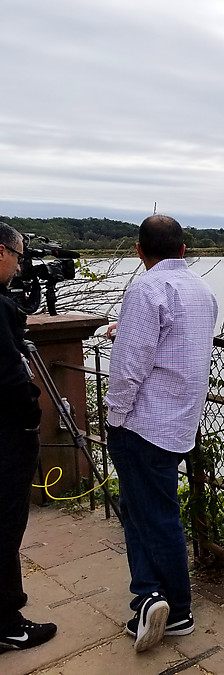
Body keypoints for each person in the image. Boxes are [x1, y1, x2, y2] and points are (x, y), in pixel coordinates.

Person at [105, 215, 218, 652]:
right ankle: (149, 595)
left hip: (143, 423)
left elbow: (130, 367)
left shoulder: (147, 289)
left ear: (139, 251)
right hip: (180, 421)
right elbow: (171, 341)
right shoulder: (200, 290)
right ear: (184, 249)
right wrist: (125, 329)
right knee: (139, 509)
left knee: (154, 515)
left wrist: (114, 416)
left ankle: (178, 608)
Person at [0, 222, 58, 652]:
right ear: (1, 252)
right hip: (5, 436)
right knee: (5, 526)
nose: (20, 266)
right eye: (18, 257)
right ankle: (8, 623)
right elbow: (11, 379)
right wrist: (31, 417)